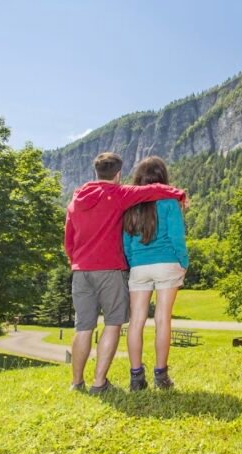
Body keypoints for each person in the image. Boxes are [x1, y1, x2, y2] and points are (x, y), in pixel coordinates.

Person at [64, 152, 186, 394]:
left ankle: (82, 382)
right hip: (119, 268)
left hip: (86, 270)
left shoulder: (75, 200)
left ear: (95, 172)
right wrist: (178, 193)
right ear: (118, 174)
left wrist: (76, 261)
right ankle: (109, 382)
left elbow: (70, 240)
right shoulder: (120, 194)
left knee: (87, 327)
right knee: (120, 323)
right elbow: (157, 199)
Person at [122, 156, 189, 391]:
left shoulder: (131, 205)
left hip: (139, 266)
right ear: (162, 177)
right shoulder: (170, 202)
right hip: (167, 263)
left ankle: (136, 377)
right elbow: (176, 237)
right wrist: (184, 261)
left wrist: (134, 263)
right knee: (162, 319)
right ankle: (161, 375)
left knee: (136, 321)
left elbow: (127, 242)